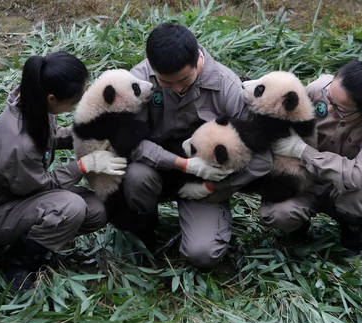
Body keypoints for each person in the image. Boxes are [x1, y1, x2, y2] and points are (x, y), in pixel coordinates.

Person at [116, 23, 273, 270]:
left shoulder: (228, 88)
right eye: (166, 83)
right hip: (154, 169)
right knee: (135, 177)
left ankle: (202, 216)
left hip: (203, 184)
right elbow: (127, 143)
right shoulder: (136, 81)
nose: (177, 88)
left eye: (185, 79)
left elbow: (262, 158)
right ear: (152, 67)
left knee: (203, 254)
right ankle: (143, 230)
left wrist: (215, 186)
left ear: (198, 58)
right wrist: (184, 165)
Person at [0, 51, 126, 290]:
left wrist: (88, 135)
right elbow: (39, 186)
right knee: (71, 207)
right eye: (77, 98)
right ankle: (19, 262)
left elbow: (51, 137)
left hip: (26, 196)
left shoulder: (36, 102)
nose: (81, 101)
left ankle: (36, 241)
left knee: (99, 208)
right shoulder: (18, 142)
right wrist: (84, 165)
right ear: (52, 98)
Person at [262, 46, 362, 257]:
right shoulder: (318, 88)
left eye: (340, 108)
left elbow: (356, 176)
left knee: (360, 194)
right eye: (329, 99)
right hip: (304, 177)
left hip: (344, 188)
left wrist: (303, 151)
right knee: (277, 214)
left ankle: (353, 234)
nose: (330, 109)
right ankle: (298, 228)